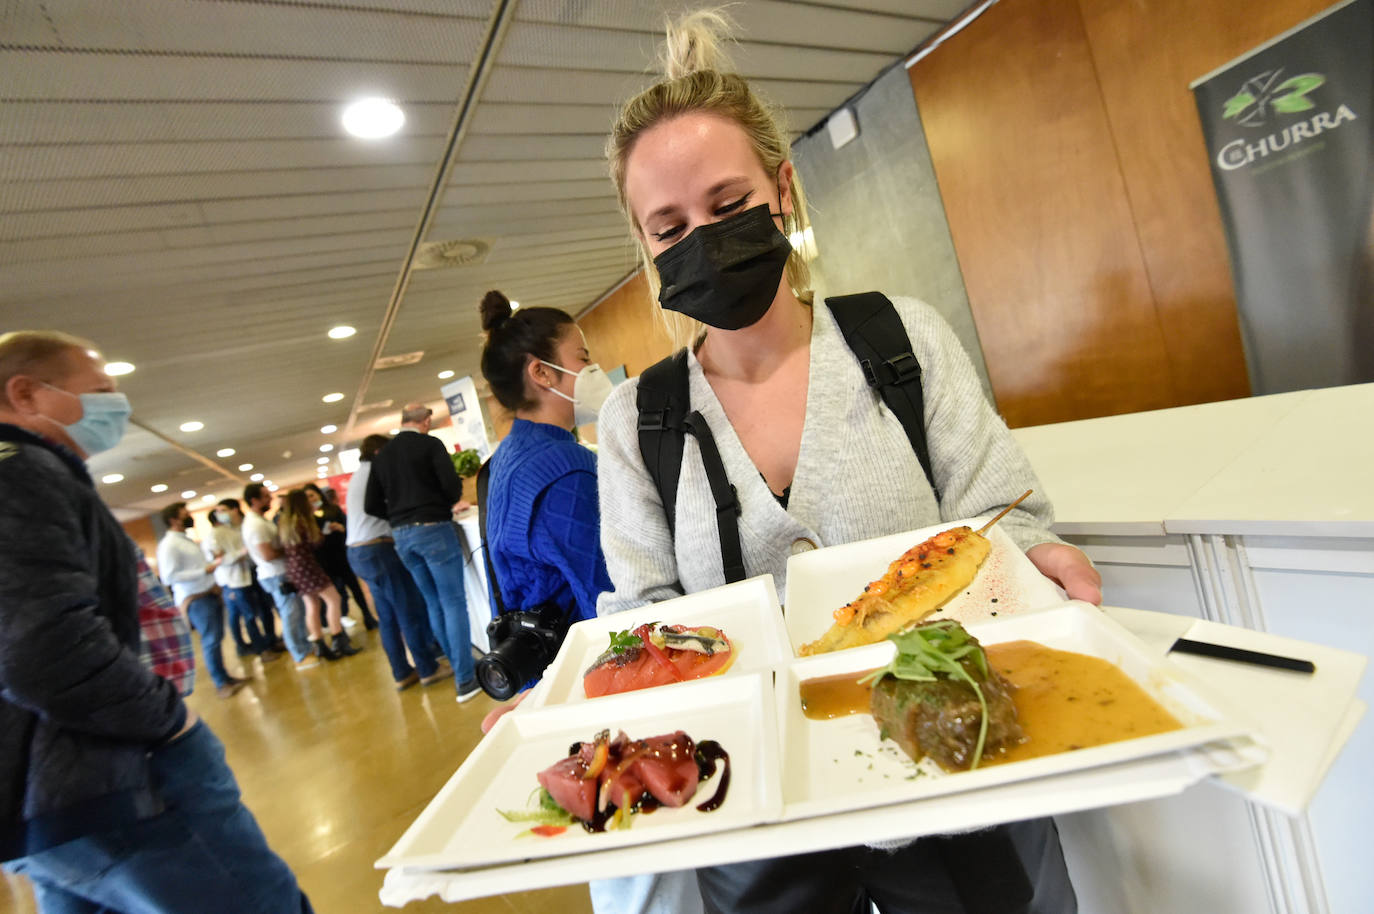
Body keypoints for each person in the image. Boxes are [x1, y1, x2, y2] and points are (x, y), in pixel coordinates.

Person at [594, 11, 1102, 914]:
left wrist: (1039, 553)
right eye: (669, 227)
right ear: (647, 245)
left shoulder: (900, 342)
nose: (702, 240)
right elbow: (647, 624)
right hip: (762, 815)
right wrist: (580, 710)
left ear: (782, 189)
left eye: (727, 205)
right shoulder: (642, 422)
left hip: (961, 774)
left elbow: (1000, 515)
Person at [0, 330, 312, 912]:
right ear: (26, 394)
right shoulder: (22, 474)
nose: (115, 405)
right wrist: (171, 723)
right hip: (110, 780)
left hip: (47, 801)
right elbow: (44, 649)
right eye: (99, 390)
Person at [478, 289, 614, 639]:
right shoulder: (566, 466)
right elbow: (605, 594)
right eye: (583, 358)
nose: (592, 369)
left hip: (537, 657)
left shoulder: (508, 457)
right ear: (542, 372)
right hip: (582, 657)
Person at [365, 401, 481, 702]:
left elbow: (371, 504)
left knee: (433, 603)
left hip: (402, 537)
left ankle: (459, 668)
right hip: (434, 529)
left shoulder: (382, 456)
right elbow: (452, 488)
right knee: (453, 602)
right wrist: (438, 503)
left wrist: (398, 515)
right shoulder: (430, 445)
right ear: (426, 421)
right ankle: (467, 680)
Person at [346, 434, 451, 691]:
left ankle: (401, 673)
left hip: (358, 552)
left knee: (388, 616)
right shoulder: (376, 472)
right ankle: (428, 668)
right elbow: (380, 508)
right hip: (379, 549)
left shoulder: (358, 475)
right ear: (380, 451)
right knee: (408, 610)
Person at [155, 501, 245, 699]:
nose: (190, 516)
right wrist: (204, 570)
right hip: (195, 600)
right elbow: (168, 576)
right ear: (174, 520)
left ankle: (225, 677)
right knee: (211, 641)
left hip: (208, 593)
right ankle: (221, 683)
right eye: (185, 514)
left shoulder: (184, 540)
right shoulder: (169, 544)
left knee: (217, 637)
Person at [242, 481, 317, 671]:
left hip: (281, 572)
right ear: (255, 500)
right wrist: (291, 549)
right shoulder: (255, 525)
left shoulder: (262, 521)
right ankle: (299, 654)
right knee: (290, 613)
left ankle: (305, 648)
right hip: (275, 575)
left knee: (296, 611)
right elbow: (267, 555)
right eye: (266, 496)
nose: (270, 500)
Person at [277, 488, 359, 662]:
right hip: (308, 566)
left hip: (295, 569)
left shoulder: (285, 523)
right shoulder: (303, 521)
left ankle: (319, 643)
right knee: (333, 599)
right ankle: (338, 639)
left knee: (312, 605)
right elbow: (316, 541)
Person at [207, 498, 278, 660]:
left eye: (223, 510)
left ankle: (271, 641)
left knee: (265, 609)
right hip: (235, 580)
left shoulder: (245, 526)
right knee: (248, 615)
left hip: (254, 572)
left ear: (235, 510)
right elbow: (220, 559)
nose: (220, 514)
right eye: (218, 511)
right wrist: (241, 553)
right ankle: (261, 649)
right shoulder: (217, 533)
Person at [304, 482, 377, 631]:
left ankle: (367, 616)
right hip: (324, 560)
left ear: (318, 494)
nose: (310, 499)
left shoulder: (333, 509)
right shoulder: (307, 518)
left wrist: (340, 528)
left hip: (342, 555)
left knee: (355, 588)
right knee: (336, 593)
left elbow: (349, 528)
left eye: (312, 495)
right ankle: (339, 623)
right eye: (307, 497)